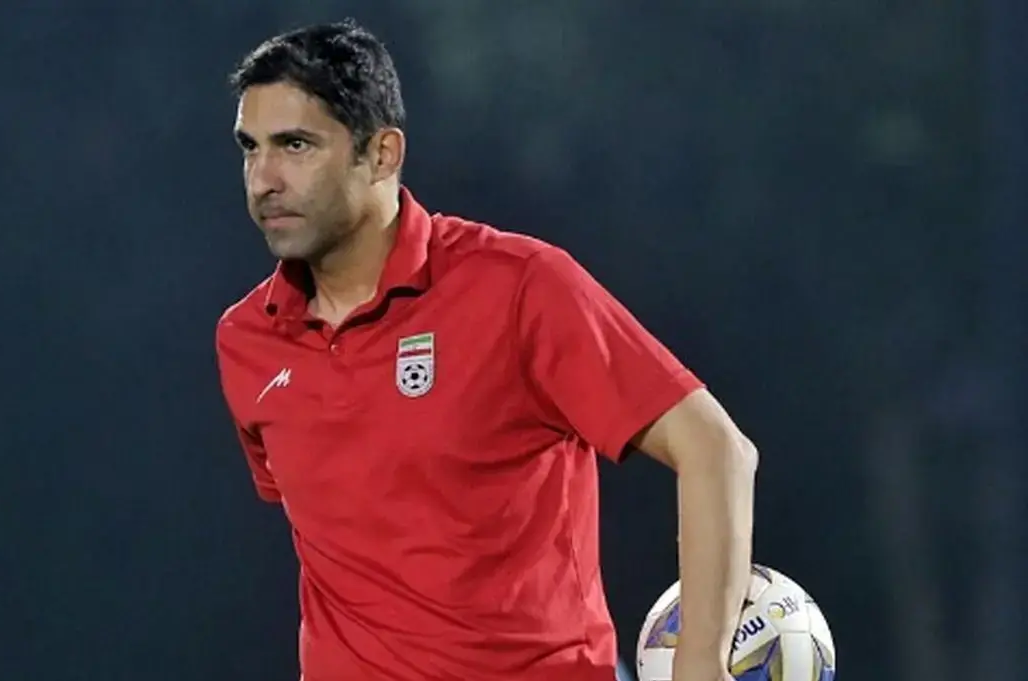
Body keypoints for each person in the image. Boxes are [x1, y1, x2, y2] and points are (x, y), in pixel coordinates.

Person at [215, 19, 758, 681]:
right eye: (250, 148)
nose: (263, 179)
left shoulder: (519, 287)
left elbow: (715, 449)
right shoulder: (248, 340)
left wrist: (700, 660)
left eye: (295, 145)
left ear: (382, 153)